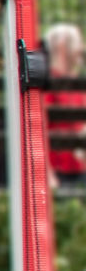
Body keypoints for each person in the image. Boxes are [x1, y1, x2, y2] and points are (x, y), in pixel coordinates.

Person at [48, 24, 85, 182]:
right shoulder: (48, 83)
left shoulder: (78, 85)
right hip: (58, 172)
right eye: (77, 42)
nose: (81, 48)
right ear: (62, 46)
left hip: (80, 169)